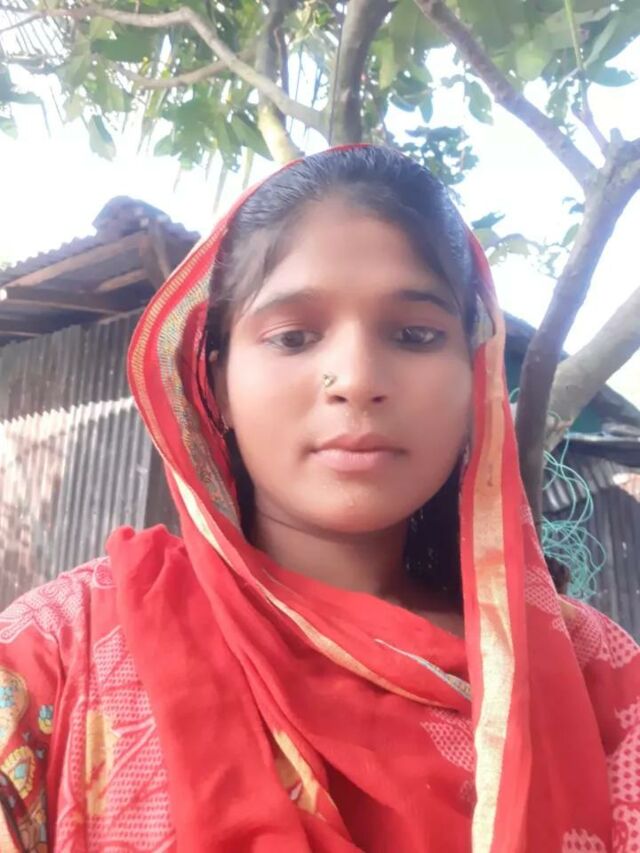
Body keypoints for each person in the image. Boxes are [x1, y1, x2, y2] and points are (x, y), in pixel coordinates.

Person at [0, 145, 637, 853]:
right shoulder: (60, 650)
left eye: (415, 335)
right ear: (217, 384)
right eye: (294, 337)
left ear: (474, 378)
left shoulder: (594, 678)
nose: (356, 378)